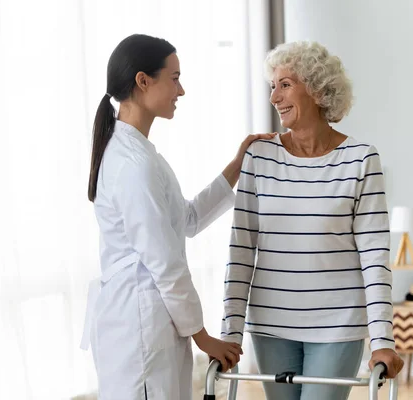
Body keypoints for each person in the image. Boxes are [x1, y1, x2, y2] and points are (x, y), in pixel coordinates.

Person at [81, 34, 276, 400]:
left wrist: (236, 165)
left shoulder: (140, 154)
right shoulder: (133, 165)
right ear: (143, 81)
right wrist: (204, 339)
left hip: (150, 325)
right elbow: (165, 264)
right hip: (139, 328)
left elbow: (185, 219)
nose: (181, 91)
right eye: (174, 78)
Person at [221, 41, 404, 400]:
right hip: (271, 326)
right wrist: (231, 332)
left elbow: (375, 258)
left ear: (318, 90)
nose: (275, 97)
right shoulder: (259, 156)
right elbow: (241, 249)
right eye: (272, 86)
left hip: (338, 326)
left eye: (285, 84)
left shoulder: (361, 159)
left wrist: (383, 339)